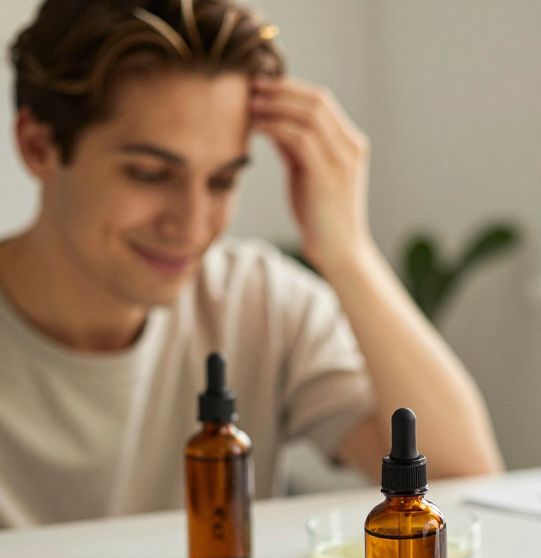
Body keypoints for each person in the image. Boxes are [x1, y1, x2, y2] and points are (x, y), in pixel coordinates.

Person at [0, 0, 502, 527]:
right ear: (38, 147)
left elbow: (463, 485)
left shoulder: (260, 301)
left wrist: (348, 251)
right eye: (150, 174)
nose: (194, 225)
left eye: (222, 181)